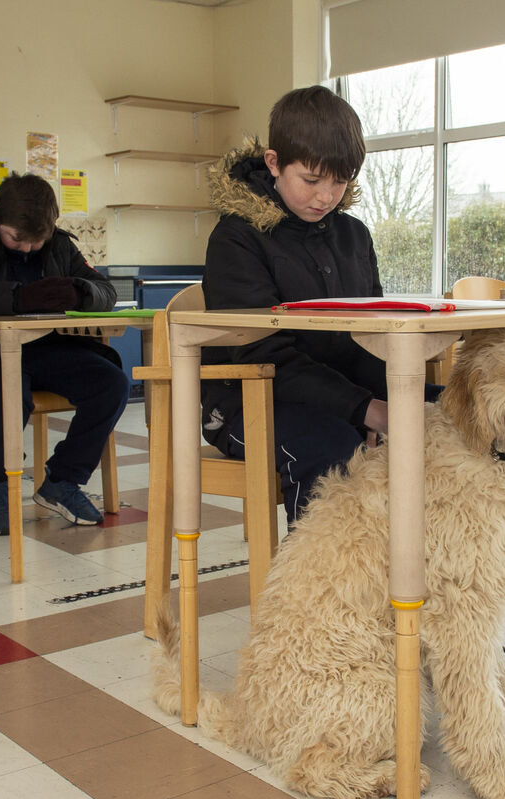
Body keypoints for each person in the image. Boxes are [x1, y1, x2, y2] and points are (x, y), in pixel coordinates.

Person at [200, 85, 440, 524]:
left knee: (453, 414)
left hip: (340, 392)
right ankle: (314, 587)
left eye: (340, 181)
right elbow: (262, 354)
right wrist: (367, 409)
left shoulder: (353, 235)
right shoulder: (236, 238)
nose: (326, 196)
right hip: (247, 399)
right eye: (311, 180)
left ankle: (417, 562)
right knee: (333, 449)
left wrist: (380, 401)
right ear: (274, 163)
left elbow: (370, 337)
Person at [0, 172, 128, 532]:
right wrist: (16, 298)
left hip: (47, 347)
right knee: (2, 390)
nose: (27, 248)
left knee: (112, 384)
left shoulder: (58, 244)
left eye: (37, 241)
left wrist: (80, 292)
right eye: (17, 239)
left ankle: (63, 481)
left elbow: (106, 290)